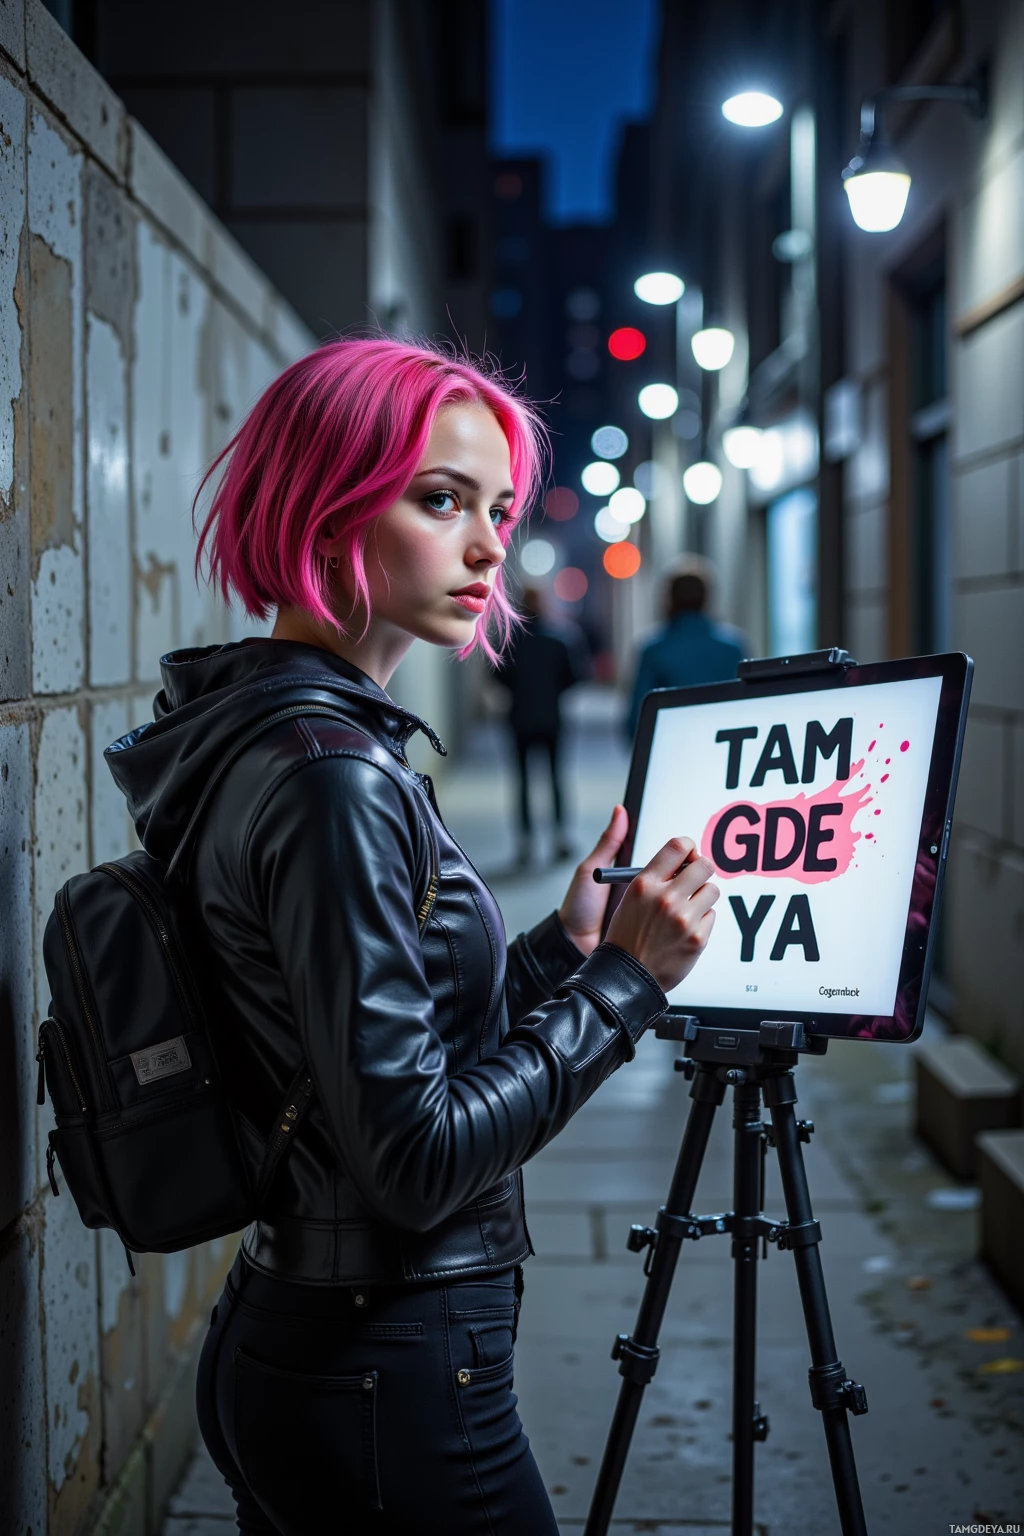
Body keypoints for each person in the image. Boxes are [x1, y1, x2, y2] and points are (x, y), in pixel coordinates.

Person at [106, 338, 719, 1536]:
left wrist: (561, 949)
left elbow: (361, 1038)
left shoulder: (278, 732)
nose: (491, 546)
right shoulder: (331, 774)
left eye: (496, 506)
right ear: (323, 499)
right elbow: (415, 1157)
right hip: (389, 1374)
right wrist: (627, 989)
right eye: (441, 500)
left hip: (327, 1346)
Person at [491, 583, 589, 866]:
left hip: (519, 718)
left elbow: (497, 675)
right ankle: (560, 837)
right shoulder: (560, 639)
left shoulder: (510, 640)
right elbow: (575, 676)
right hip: (552, 718)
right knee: (556, 777)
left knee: (521, 780)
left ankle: (525, 842)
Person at [625, 558, 748, 742]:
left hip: (670, 748)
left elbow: (637, 720)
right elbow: (745, 708)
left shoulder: (654, 649)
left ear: (669, 599)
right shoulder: (733, 648)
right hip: (723, 750)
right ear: (707, 598)